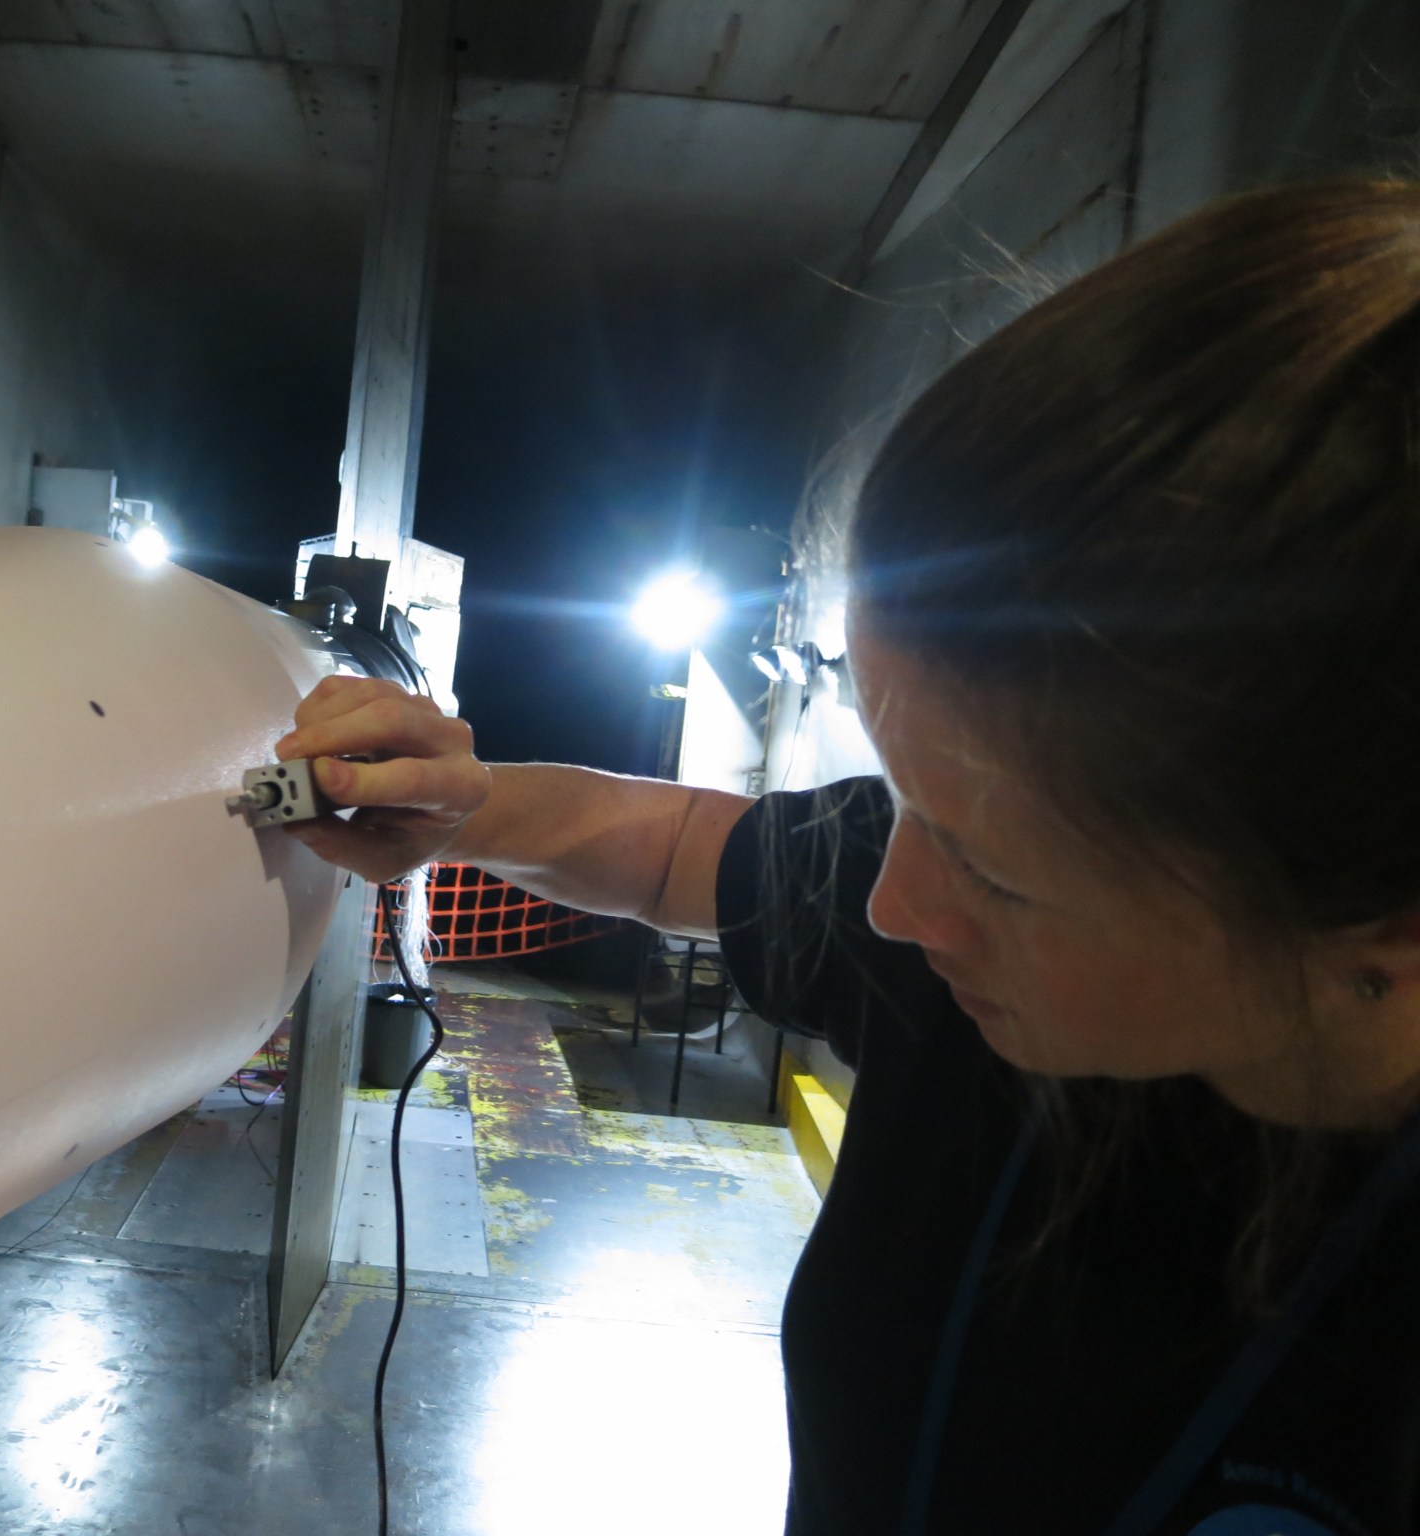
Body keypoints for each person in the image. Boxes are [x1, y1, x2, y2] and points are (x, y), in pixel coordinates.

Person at [274, 179, 1420, 1534]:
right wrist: (457, 805)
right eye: (900, 793)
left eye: (997, 868)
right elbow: (684, 848)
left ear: (1379, 932)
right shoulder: (967, 943)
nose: (890, 899)